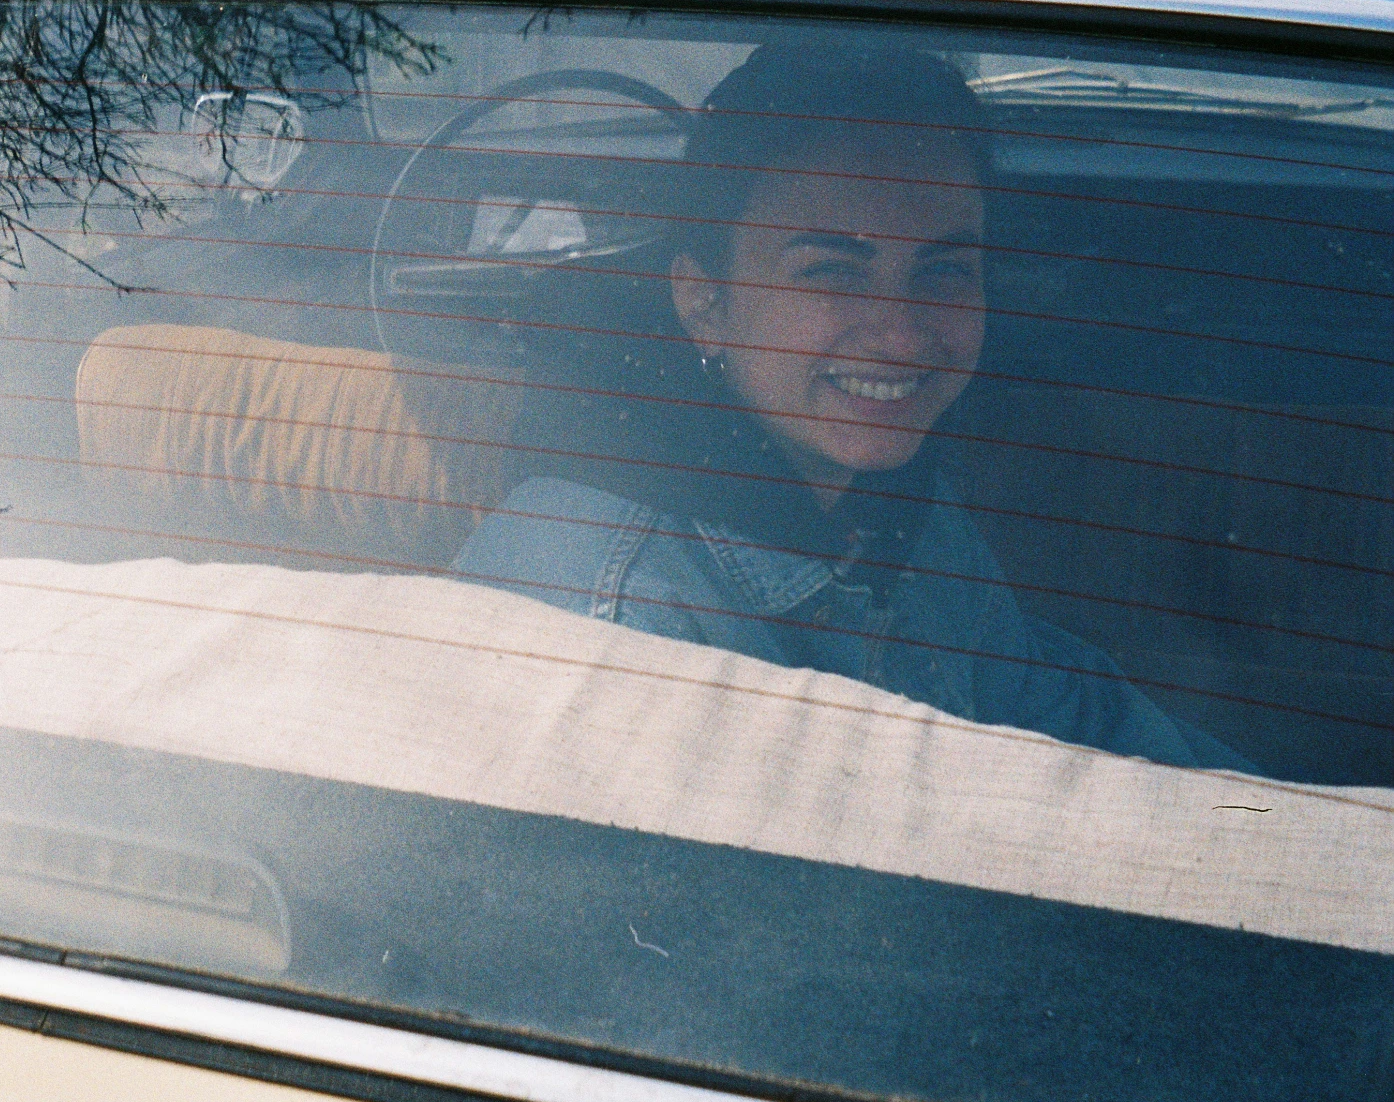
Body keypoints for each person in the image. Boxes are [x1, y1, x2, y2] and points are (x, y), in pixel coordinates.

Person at [454, 40, 1246, 770]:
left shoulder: (894, 504)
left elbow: (1064, 719)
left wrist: (1274, 820)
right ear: (704, 303)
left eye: (944, 272)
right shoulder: (615, 626)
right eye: (832, 270)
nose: (902, 336)